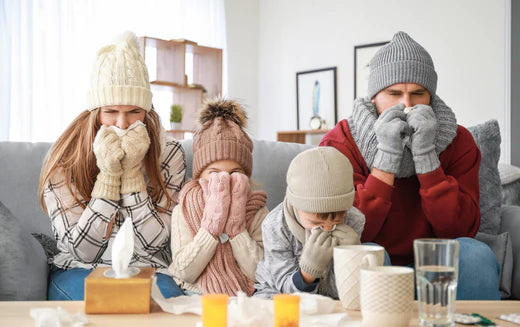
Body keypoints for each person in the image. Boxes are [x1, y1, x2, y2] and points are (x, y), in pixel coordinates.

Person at [320, 31, 501, 300]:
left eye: (418, 93)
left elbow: (461, 230)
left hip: (437, 261)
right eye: (394, 93)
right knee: (363, 253)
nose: (406, 105)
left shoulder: (460, 141)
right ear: (374, 97)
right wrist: (387, 158)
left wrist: (427, 155)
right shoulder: (342, 140)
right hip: (375, 258)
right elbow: (350, 230)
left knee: (474, 254)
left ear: (431, 97)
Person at [39, 32, 186, 300]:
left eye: (134, 112)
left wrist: (131, 176)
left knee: (162, 308)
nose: (122, 124)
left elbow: (155, 244)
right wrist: (108, 176)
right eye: (110, 111)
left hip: (149, 268)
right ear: (95, 111)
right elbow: (82, 251)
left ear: (147, 111)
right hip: (79, 269)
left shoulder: (169, 153)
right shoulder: (65, 158)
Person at [168, 98, 269, 296]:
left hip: (247, 294)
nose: (224, 180)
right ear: (199, 176)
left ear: (246, 176)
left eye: (234, 173)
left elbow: (262, 273)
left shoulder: (257, 210)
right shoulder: (184, 209)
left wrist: (236, 231)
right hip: (196, 293)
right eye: (214, 173)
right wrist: (210, 228)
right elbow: (183, 272)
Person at [254, 147, 366, 298]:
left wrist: (350, 256)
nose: (327, 227)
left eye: (337, 220)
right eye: (316, 222)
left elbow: (341, 293)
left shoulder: (354, 220)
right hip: (278, 293)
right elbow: (285, 289)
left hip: (333, 297)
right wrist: (308, 271)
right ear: (296, 205)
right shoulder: (275, 226)